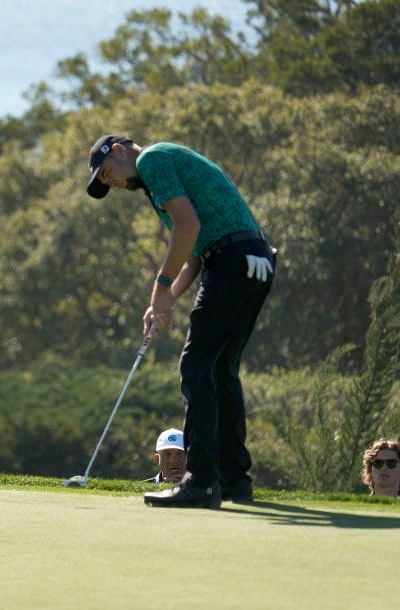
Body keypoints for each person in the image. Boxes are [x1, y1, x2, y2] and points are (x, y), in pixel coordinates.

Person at [84, 135, 275, 508]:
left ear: (120, 150)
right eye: (108, 183)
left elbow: (187, 229)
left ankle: (201, 481)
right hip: (257, 261)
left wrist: (159, 287)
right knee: (221, 371)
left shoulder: (153, 159)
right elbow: (193, 254)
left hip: (233, 260)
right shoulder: (161, 177)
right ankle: (234, 480)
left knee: (196, 366)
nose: (115, 184)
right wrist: (165, 300)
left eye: (109, 174)